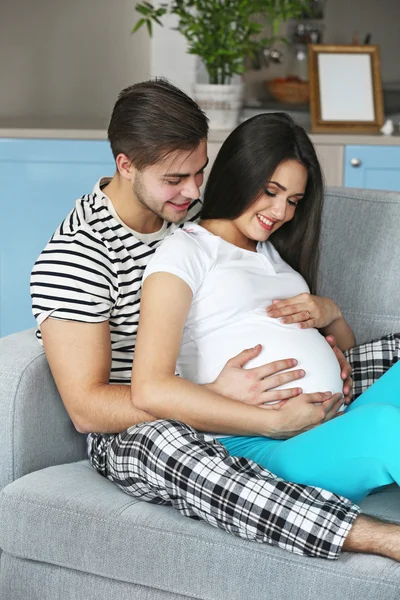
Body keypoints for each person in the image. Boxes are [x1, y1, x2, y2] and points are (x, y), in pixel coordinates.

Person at [30, 78, 400, 561]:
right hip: (146, 426)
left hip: (236, 396)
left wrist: (327, 343)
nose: (193, 192)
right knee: (164, 441)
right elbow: (88, 409)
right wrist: (216, 399)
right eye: (175, 179)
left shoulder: (196, 216)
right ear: (126, 165)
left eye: (200, 172)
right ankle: (367, 534)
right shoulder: (77, 257)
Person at [131, 111, 400, 506]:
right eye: (270, 191)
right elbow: (150, 387)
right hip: (259, 445)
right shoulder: (186, 251)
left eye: (293, 201)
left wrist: (331, 314)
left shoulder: (276, 256)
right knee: (384, 427)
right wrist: (274, 422)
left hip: (327, 424)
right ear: (241, 173)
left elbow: (343, 346)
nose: (281, 213)